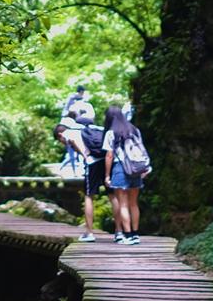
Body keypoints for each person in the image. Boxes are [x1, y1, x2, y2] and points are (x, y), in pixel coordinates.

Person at [102, 103, 149, 244]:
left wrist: (107, 175)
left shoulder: (111, 133)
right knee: (134, 204)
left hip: (119, 169)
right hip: (136, 169)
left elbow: (109, 156)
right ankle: (135, 235)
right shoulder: (135, 130)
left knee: (123, 204)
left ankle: (127, 235)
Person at [64, 101, 107, 241]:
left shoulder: (75, 131)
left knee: (89, 196)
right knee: (113, 195)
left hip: (91, 163)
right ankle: (120, 232)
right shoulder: (100, 129)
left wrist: (84, 155)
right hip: (106, 161)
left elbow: (70, 141)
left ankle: (89, 232)